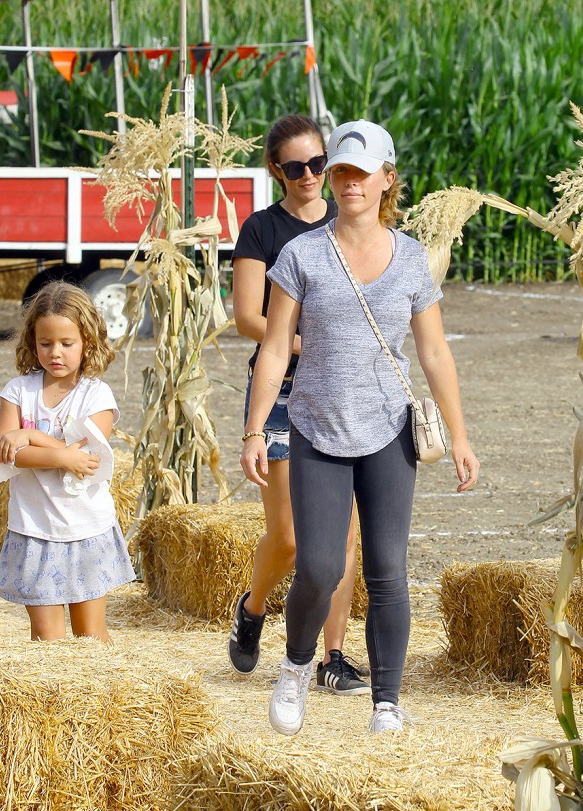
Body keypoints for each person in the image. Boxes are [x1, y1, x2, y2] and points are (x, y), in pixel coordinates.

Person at [240, 119, 480, 736]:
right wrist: (253, 431)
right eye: (339, 171)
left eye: (359, 172)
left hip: (390, 431)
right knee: (319, 565)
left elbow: (433, 352)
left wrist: (459, 434)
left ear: (386, 180)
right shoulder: (300, 254)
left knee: (386, 569)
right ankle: (295, 667)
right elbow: (271, 349)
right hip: (315, 426)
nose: (346, 182)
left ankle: (387, 703)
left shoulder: (410, 261)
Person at [230, 114, 367, 697]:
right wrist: (305, 342)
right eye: (297, 167)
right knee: (288, 539)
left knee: (343, 537)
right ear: (276, 170)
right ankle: (254, 607)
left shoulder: (351, 223)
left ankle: (332, 656)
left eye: (319, 164)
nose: (310, 175)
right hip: (282, 389)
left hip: (345, 390)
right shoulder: (263, 230)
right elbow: (245, 318)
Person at [0, 281, 136, 643]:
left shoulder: (96, 395)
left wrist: (31, 436)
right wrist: (56, 454)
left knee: (91, 635)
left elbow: (85, 461)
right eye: (45, 343)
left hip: (85, 529)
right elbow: (5, 453)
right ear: (31, 342)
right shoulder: (18, 391)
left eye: (67, 344)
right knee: (45, 638)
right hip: (34, 529)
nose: (56, 353)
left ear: (88, 342)